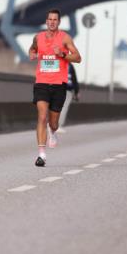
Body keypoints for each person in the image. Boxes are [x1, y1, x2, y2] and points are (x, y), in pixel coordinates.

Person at [28, 9, 81, 166]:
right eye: (49, 19)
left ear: (58, 22)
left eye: (55, 20)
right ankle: (42, 155)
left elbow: (78, 58)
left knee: (53, 123)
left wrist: (62, 55)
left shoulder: (65, 38)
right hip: (42, 83)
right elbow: (32, 49)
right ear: (47, 21)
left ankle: (53, 131)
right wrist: (32, 54)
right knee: (42, 117)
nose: (52, 22)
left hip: (59, 85)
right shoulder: (38, 37)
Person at [57, 63, 80, 132]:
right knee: (63, 107)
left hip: (55, 87)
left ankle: (51, 124)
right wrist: (76, 92)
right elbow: (74, 79)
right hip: (66, 89)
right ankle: (58, 125)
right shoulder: (69, 65)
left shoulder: (55, 61)